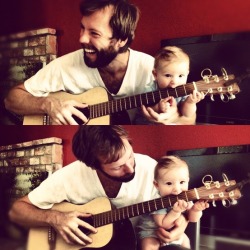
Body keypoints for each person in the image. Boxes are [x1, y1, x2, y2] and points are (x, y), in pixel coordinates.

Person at [8, 126, 188, 249]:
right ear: (93, 166)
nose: (130, 168)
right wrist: (55, 218)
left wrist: (181, 223)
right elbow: (16, 211)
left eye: (130, 157)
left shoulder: (152, 169)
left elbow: (174, 207)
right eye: (117, 167)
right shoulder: (70, 176)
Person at [4, 0, 157, 125]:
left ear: (121, 40)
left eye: (94, 33)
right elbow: (11, 100)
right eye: (82, 28)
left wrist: (174, 117)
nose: (82, 39)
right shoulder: (65, 66)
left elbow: (179, 111)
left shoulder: (152, 70)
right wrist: (48, 105)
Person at [138, 156, 209, 250]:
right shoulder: (157, 200)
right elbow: (163, 224)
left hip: (175, 232)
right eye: (169, 183)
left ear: (187, 180)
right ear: (156, 185)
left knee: (186, 242)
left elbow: (192, 219)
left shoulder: (185, 197)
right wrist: (176, 212)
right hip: (151, 233)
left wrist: (196, 210)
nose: (177, 189)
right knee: (149, 246)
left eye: (182, 182)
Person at [139, 46, 205, 125]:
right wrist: (158, 107)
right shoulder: (150, 89)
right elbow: (145, 110)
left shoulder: (184, 90)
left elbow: (186, 114)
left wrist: (190, 102)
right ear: (155, 74)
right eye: (168, 75)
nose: (175, 82)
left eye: (180, 76)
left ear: (187, 74)